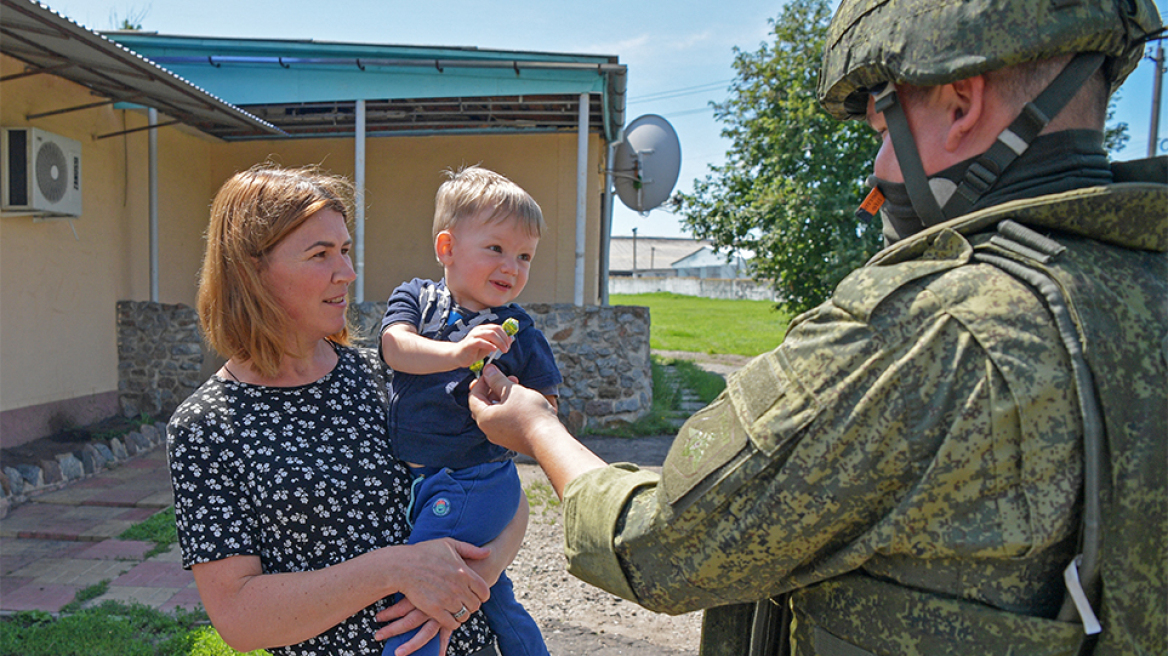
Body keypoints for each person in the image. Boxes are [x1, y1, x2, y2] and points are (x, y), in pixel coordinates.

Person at [467, 1, 1167, 654]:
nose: (879, 169)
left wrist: (538, 430)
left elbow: (659, 545)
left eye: (882, 131)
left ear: (961, 104)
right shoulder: (1144, 284)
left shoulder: (925, 328)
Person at [167, 165, 529, 656]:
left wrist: (468, 582)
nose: (347, 272)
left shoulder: (393, 375)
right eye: (320, 254)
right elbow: (239, 617)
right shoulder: (207, 426)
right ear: (251, 272)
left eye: (345, 249)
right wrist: (397, 568)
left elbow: (503, 495)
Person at [378, 166, 560, 656]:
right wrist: (458, 353)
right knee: (494, 598)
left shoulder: (519, 330)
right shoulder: (417, 298)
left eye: (525, 256)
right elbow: (396, 348)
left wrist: (517, 403)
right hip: (434, 479)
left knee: (422, 594)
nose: (512, 266)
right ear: (447, 248)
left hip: (474, 481)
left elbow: (547, 412)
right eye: (496, 248)